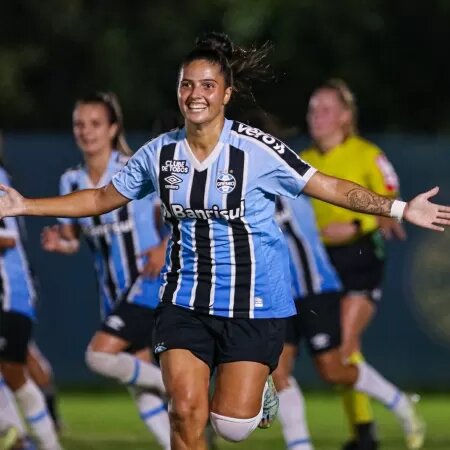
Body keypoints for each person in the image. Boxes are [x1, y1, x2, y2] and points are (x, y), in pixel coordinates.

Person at [0, 32, 449, 450]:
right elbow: (101, 197)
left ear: (226, 94)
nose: (196, 94)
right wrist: (26, 205)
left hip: (253, 302)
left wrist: (400, 208)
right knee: (185, 411)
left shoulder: (256, 149)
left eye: (208, 86)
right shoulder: (159, 153)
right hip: (184, 299)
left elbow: (327, 185)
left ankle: (258, 388)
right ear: (178, 91)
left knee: (232, 427)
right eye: (187, 85)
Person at [40, 92, 170, 450]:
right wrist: (59, 242)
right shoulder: (71, 181)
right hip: (113, 294)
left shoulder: (136, 169)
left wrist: (162, 247)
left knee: (99, 356)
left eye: (95, 123)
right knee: (140, 385)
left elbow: (174, 219)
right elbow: (72, 238)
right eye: (79, 124)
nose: (86, 131)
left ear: (113, 128)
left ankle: (177, 386)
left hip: (147, 285)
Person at [300, 79, 409, 450]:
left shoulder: (367, 154)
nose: (317, 116)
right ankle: (368, 426)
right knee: (335, 360)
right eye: (313, 109)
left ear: (346, 116)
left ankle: (366, 433)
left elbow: (392, 204)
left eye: (327, 109)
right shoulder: (303, 161)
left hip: (361, 259)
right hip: (320, 266)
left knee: (344, 348)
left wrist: (357, 223)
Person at [272, 195, 424, 450]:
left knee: (332, 369)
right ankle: (300, 446)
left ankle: (398, 401)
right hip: (280, 295)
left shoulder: (278, 186)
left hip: (316, 289)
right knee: (277, 372)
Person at [0, 165, 61, 450]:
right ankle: (19, 437)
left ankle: (41, 440)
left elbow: (8, 236)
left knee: (14, 369)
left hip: (10, 293)